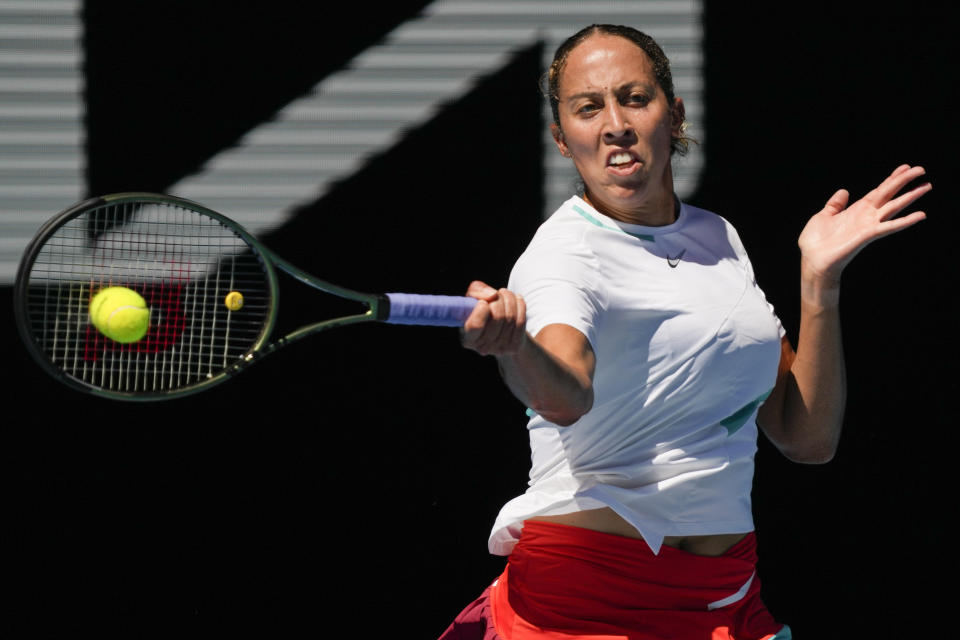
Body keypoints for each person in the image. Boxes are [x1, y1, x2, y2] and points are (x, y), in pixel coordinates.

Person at [440, 24, 931, 640]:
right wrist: (517, 351)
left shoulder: (718, 238)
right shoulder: (563, 257)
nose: (615, 122)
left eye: (634, 97)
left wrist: (818, 282)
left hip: (723, 597)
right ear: (562, 140)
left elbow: (806, 436)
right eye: (588, 109)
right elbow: (564, 393)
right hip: (587, 600)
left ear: (673, 114)